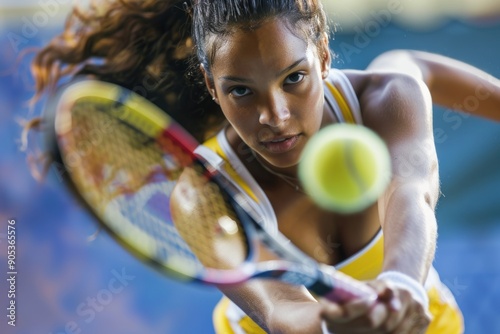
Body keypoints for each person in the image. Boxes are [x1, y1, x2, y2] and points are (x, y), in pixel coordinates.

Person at [30, 1, 500, 333]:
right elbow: (282, 312)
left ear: (322, 57)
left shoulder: (388, 98)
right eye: (240, 91)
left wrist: (400, 285)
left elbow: (410, 193)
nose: (274, 116)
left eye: (294, 78)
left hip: (426, 320)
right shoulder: (202, 194)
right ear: (212, 89)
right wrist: (338, 325)